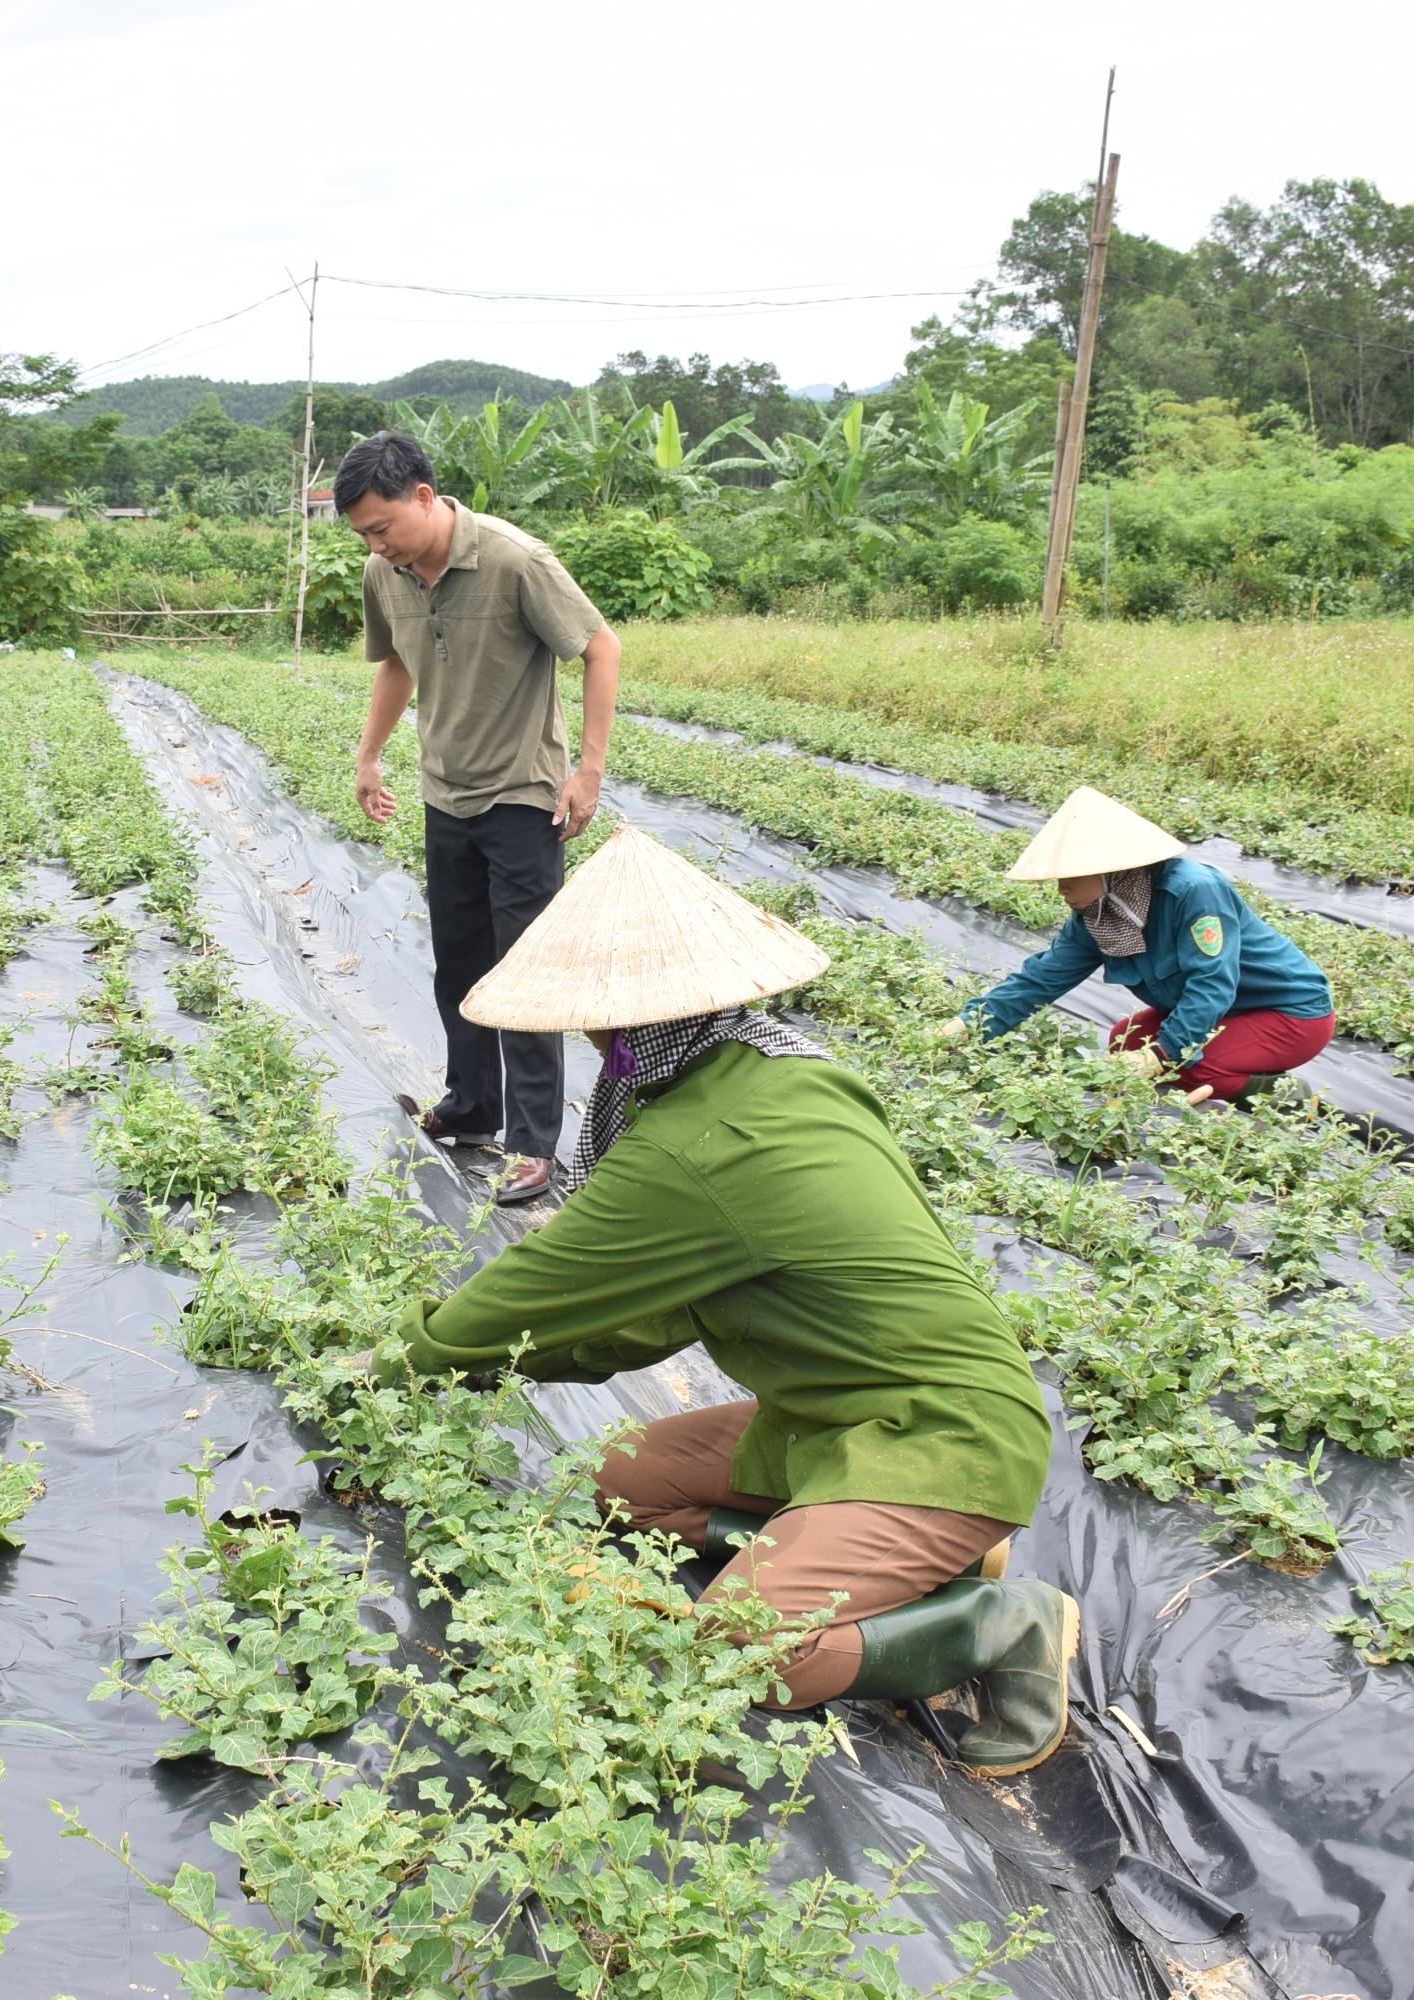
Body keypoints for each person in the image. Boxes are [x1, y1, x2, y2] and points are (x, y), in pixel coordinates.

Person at [387, 825, 1076, 1775]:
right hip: (829, 1414)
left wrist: (401, 1368)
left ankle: (996, 1623)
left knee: (743, 1652)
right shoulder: (781, 1068)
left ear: (614, 1016)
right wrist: (536, 1355)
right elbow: (635, 1317)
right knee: (620, 1482)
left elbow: (529, 1300)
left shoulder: (697, 1143)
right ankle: (878, 1558)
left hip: (942, 1436)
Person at [340, 429, 622, 1206]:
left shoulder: (513, 559)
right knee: (459, 958)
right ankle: (471, 1106)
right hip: (445, 792)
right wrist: (370, 757)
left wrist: (587, 769)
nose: (375, 544)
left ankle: (534, 1145)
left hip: (522, 795)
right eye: (364, 533)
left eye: (382, 526)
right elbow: (396, 662)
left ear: (424, 497)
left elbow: (602, 648)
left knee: (527, 969)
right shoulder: (384, 573)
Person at [948, 786, 1335, 1103]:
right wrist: (966, 1026)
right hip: (1225, 1011)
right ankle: (1209, 1078)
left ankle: (1287, 1096)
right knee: (1126, 1040)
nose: (1061, 888)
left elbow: (1212, 984)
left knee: (1186, 1064)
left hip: (1289, 1012)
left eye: (1069, 875)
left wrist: (1162, 1056)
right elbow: (1041, 980)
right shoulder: (1097, 912)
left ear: (1108, 869)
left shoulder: (1193, 891)